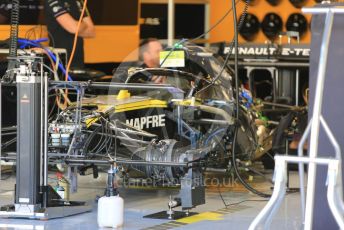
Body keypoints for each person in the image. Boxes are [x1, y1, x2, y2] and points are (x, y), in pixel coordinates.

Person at [45, 0, 95, 69]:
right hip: (59, 61)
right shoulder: (53, 1)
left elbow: (91, 32)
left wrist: (77, 25)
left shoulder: (79, 1)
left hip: (78, 62)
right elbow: (73, 28)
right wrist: (84, 24)